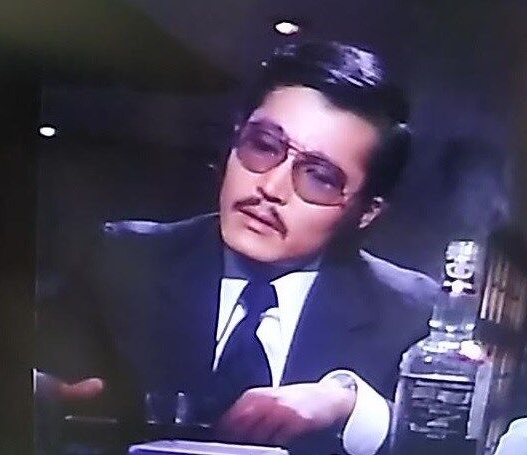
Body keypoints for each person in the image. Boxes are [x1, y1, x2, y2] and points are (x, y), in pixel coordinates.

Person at [36, 41, 441, 455]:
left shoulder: (411, 313)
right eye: (264, 146)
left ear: (366, 212)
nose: (271, 188)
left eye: (319, 177)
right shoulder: (122, 260)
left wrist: (351, 406)